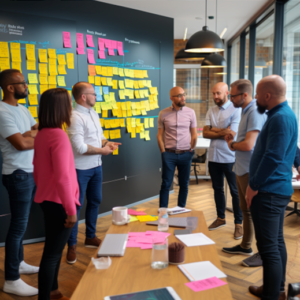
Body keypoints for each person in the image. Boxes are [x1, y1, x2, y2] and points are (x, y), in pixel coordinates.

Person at [246, 75, 298, 300]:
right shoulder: (285, 114)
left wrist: (253, 186)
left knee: (268, 249)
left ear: (267, 95)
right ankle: (276, 290)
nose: (255, 97)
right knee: (276, 243)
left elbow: (273, 156)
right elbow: (293, 146)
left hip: (268, 192)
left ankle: (271, 295)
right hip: (275, 190)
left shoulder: (279, 117)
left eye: (257, 93)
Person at [66, 82, 121, 264]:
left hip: (96, 167)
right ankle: (71, 246)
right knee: (76, 207)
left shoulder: (94, 114)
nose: (96, 96)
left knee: (95, 201)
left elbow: (100, 137)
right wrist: (102, 150)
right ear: (83, 96)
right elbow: (79, 147)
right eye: (93, 94)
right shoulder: (74, 117)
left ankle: (90, 236)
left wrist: (107, 143)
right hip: (80, 169)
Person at [33, 88, 80, 300]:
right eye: (69, 103)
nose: (71, 107)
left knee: (51, 250)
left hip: (46, 199)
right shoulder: (59, 136)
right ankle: (46, 295)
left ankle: (53, 290)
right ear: (61, 108)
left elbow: (37, 168)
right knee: (52, 255)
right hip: (61, 203)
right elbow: (63, 178)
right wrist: (71, 211)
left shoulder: (42, 133)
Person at [0, 69, 39, 297]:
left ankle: (20, 263)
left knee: (21, 225)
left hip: (29, 172)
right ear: (10, 87)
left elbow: (33, 131)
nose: (26, 85)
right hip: (18, 174)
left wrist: (29, 135)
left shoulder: (22, 109)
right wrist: (29, 136)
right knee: (17, 227)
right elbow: (21, 144)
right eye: (22, 83)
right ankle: (12, 279)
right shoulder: (2, 111)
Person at [221, 79, 267, 268]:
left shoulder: (255, 112)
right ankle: (245, 245)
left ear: (244, 95)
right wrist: (234, 139)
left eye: (233, 96)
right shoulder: (245, 111)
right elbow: (246, 140)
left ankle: (261, 253)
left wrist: (232, 144)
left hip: (250, 170)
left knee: (255, 212)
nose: (230, 99)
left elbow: (249, 145)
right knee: (245, 210)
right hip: (241, 168)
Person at [203, 82, 243, 239]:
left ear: (227, 93)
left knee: (235, 191)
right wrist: (222, 130)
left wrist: (214, 129)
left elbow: (231, 134)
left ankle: (238, 224)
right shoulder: (211, 110)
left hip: (230, 157)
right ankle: (221, 218)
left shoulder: (236, 110)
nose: (215, 96)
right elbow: (205, 133)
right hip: (213, 157)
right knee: (217, 189)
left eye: (218, 93)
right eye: (213, 93)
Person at [157, 86, 197, 208]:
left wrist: (191, 150)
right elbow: (159, 135)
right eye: (179, 95)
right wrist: (163, 152)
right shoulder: (163, 113)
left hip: (186, 153)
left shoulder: (191, 112)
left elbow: (194, 134)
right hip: (169, 154)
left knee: (184, 184)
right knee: (166, 184)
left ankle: (181, 209)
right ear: (171, 98)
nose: (183, 97)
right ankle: (162, 212)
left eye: (184, 94)